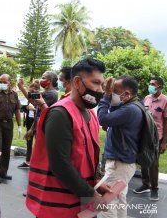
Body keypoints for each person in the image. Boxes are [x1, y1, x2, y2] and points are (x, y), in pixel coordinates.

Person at [26, 59, 110, 218]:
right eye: (96, 83)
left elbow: (88, 157)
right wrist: (91, 194)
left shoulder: (90, 114)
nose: (100, 90)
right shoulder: (60, 114)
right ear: (77, 82)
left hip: (80, 203)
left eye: (102, 85)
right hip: (57, 208)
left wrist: (97, 181)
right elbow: (60, 164)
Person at [97, 75, 144, 218]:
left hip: (120, 163)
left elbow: (103, 118)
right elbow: (114, 111)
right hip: (124, 162)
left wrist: (106, 96)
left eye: (114, 90)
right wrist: (111, 96)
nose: (112, 93)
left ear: (127, 94)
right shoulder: (133, 105)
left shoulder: (130, 110)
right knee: (119, 197)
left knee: (107, 199)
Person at [133, 77, 167, 201]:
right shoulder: (147, 98)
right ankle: (145, 185)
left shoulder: (166, 101)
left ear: (159, 86)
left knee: (153, 164)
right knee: (143, 160)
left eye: (152, 84)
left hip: (156, 137)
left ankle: (154, 189)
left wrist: (164, 142)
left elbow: (166, 123)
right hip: (144, 135)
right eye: (150, 83)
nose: (150, 86)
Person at [0, 74, 21, 180]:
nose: (2, 84)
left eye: (4, 82)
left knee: (6, 149)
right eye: (0, 82)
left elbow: (17, 110)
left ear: (9, 82)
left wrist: (19, 126)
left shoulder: (14, 94)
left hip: (9, 123)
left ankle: (3, 172)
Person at [17, 82, 39, 169]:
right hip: (29, 121)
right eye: (29, 91)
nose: (30, 94)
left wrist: (33, 109)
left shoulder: (39, 98)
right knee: (28, 142)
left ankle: (36, 162)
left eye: (31, 91)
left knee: (37, 143)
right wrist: (26, 108)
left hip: (36, 122)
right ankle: (28, 161)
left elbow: (39, 109)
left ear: (36, 90)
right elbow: (23, 107)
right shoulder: (30, 99)